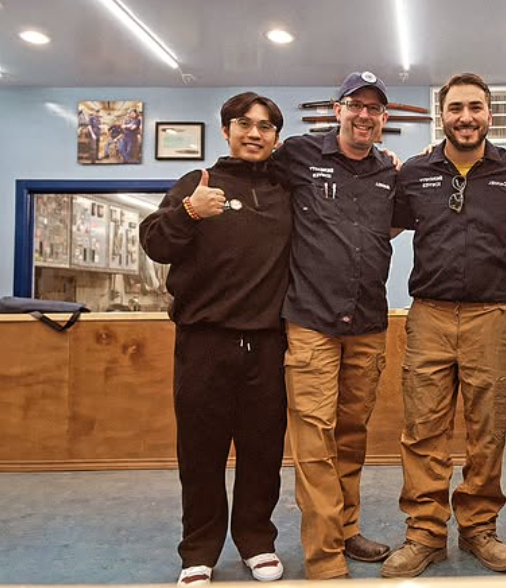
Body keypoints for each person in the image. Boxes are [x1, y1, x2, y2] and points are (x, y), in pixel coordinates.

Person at [381, 73, 506, 578]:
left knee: (488, 430)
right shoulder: (415, 173)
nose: (465, 117)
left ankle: (479, 528)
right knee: (422, 431)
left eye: (475, 108)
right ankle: (425, 534)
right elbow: (383, 227)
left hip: (490, 318)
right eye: (456, 108)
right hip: (428, 315)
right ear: (441, 115)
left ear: (489, 114)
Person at [140, 92, 291, 588]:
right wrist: (188, 211)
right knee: (201, 453)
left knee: (262, 452)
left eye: (265, 126)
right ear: (226, 130)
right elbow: (155, 242)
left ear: (276, 137)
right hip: (203, 343)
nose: (254, 133)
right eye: (244, 123)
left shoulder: (285, 190)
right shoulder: (198, 183)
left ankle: (256, 541)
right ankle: (199, 550)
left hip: (267, 344)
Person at [269, 71, 397, 581]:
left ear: (383, 118)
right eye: (355, 105)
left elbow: (389, 227)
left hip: (367, 322)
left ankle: (346, 529)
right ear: (337, 109)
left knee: (351, 435)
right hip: (311, 322)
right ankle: (324, 557)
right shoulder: (298, 155)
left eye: (374, 108)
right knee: (315, 439)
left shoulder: (389, 171)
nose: (364, 115)